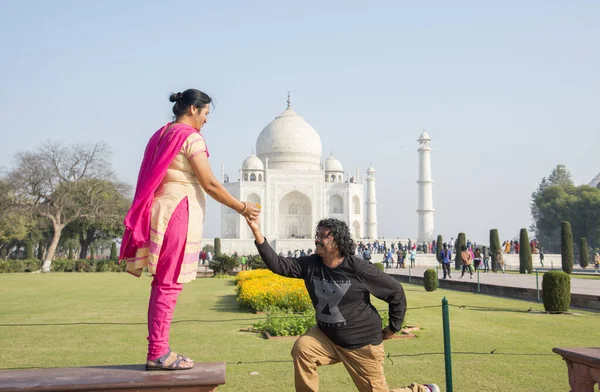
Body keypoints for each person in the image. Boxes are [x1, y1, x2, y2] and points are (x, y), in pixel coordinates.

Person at [119, 89, 260, 371]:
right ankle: (158, 352)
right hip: (176, 211)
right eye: (206, 113)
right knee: (168, 284)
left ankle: (158, 350)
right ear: (194, 109)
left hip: (162, 208)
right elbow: (210, 184)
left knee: (163, 283)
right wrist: (242, 207)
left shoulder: (162, 134)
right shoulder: (190, 137)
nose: (206, 120)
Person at [245, 216, 439, 392]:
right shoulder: (311, 264)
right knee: (302, 348)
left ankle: (421, 390)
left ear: (337, 241)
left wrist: (393, 327)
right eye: (317, 234)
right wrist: (257, 232)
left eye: (324, 236)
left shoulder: (358, 268)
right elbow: (278, 265)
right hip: (327, 337)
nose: (317, 239)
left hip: (361, 343)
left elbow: (395, 291)